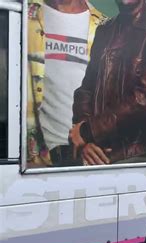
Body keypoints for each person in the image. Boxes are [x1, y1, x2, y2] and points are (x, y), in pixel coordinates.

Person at [69, 0, 146, 166]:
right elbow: (86, 89)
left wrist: (87, 131)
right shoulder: (104, 30)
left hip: (134, 154)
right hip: (95, 151)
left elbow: (143, 100)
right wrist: (85, 140)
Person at [26, 0, 106, 166]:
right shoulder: (25, 14)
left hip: (85, 160)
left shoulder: (104, 26)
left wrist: (91, 136)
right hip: (33, 161)